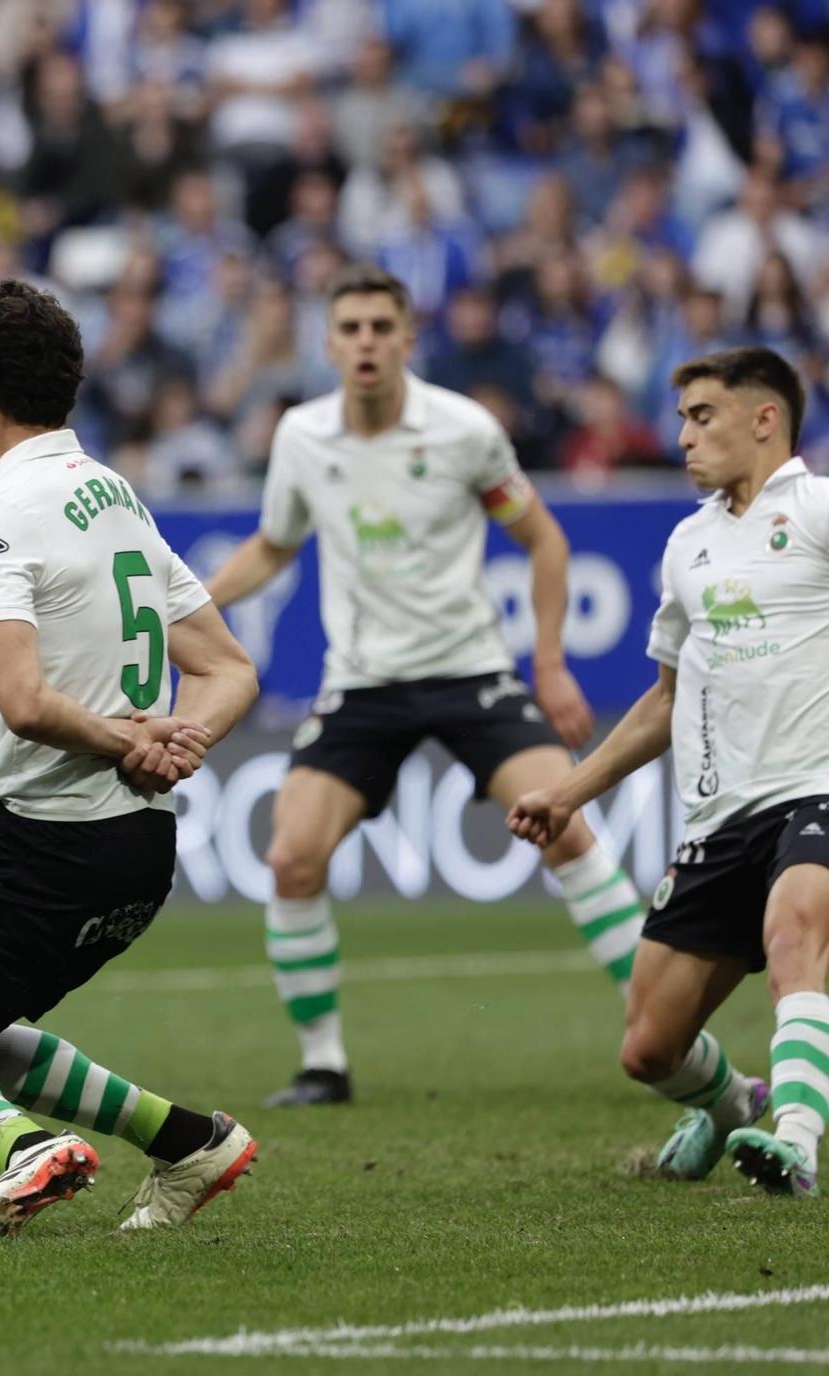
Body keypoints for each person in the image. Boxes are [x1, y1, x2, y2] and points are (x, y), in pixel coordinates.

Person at [0, 278, 262, 1238]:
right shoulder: (113, 495)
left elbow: (26, 703)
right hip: (142, 850)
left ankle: (27, 1149)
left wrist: (137, 738)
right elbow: (229, 668)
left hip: (46, 843)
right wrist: (176, 742)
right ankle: (191, 1142)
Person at [203, 263, 640, 1109]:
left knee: (568, 827)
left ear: (407, 339)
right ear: (329, 344)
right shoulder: (302, 435)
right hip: (363, 683)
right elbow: (274, 543)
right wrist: (198, 598)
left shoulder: (464, 430)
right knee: (291, 856)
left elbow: (545, 542)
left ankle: (654, 1022)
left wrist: (549, 665)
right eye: (351, 329)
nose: (366, 342)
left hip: (471, 668)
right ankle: (323, 1063)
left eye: (381, 327)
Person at [510, 347, 827, 1198]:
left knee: (796, 935)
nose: (680, 435)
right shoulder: (688, 543)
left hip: (817, 791)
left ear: (766, 419)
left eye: (701, 416)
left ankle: (796, 1140)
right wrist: (568, 791)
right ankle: (730, 1108)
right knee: (648, 1048)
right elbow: (663, 699)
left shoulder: (819, 512)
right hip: (721, 819)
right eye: (681, 417)